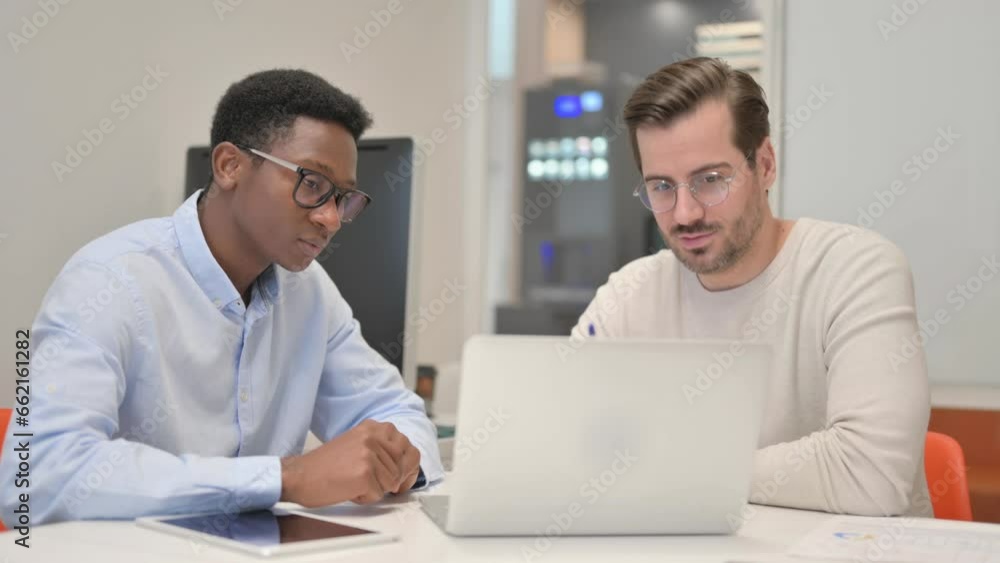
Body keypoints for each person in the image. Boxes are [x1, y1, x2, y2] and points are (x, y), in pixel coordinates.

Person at [1, 69, 442, 525]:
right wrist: (283, 478)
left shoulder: (308, 292)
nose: (330, 219)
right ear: (230, 166)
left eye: (343, 198)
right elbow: (33, 479)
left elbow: (396, 413)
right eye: (312, 184)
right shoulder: (107, 280)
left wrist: (396, 462)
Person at [571, 57, 931, 517]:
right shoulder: (630, 295)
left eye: (710, 180)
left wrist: (667, 467)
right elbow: (570, 447)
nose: (684, 213)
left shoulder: (856, 270)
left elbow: (871, 476)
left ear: (764, 165)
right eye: (661, 186)